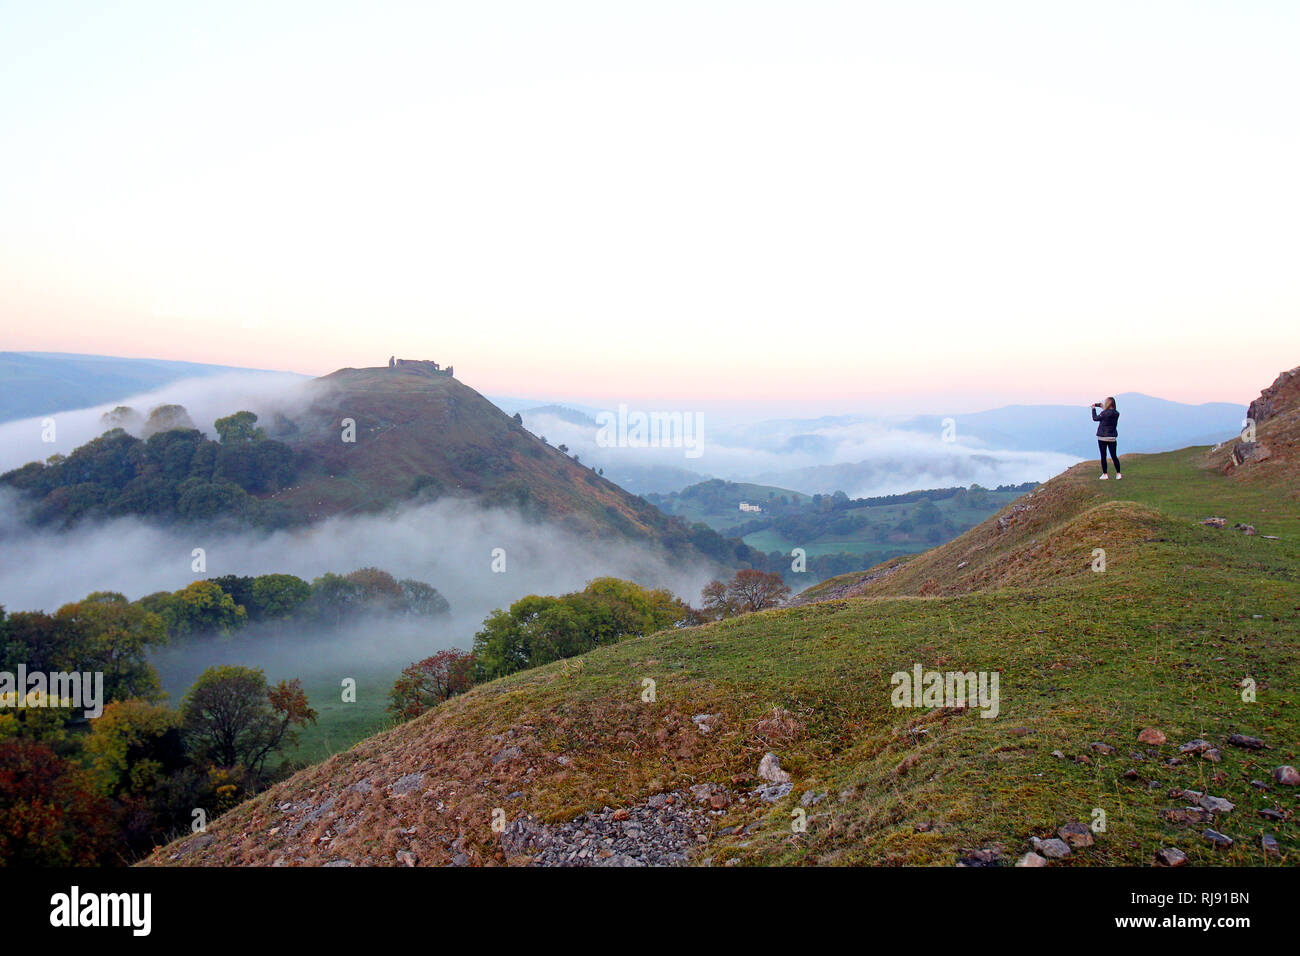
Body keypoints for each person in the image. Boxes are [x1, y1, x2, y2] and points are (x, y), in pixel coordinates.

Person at [1091, 397, 1121, 479]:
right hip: (1112, 437)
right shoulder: (1116, 413)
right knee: (1114, 456)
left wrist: (1093, 409)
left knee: (1103, 456)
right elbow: (1109, 411)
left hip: (1102, 437)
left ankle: (1105, 474)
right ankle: (1118, 474)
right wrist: (1100, 406)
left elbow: (1095, 418)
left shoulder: (1104, 413)